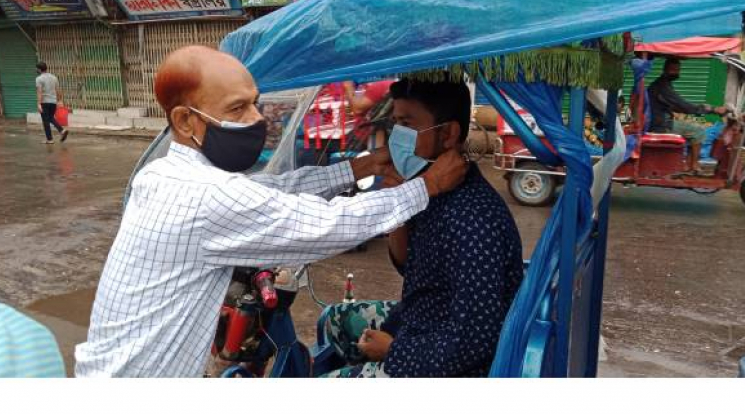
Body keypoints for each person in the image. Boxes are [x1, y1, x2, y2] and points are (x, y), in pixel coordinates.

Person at [74, 46, 468, 377]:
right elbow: (329, 225)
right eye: (238, 108)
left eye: (255, 104)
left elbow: (270, 190)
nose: (257, 119)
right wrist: (427, 186)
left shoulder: (162, 174)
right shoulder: (205, 196)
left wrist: (361, 166)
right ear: (185, 120)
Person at [320, 77, 524, 378]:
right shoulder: (430, 188)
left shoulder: (472, 219)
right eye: (395, 123)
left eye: (408, 124)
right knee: (333, 320)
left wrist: (394, 351)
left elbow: (474, 340)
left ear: (448, 133)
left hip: (450, 361)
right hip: (420, 319)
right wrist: (399, 206)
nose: (396, 136)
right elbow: (409, 266)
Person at [648, 57, 728, 173]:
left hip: (661, 121)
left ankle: (687, 164)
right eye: (673, 70)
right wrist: (713, 109)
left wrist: (697, 109)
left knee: (692, 129)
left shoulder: (664, 84)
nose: (676, 73)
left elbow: (677, 106)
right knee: (698, 131)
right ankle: (694, 165)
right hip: (661, 125)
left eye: (678, 70)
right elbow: (683, 105)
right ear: (665, 69)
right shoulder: (662, 86)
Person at [36, 61, 69, 144]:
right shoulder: (54, 77)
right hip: (53, 102)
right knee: (50, 118)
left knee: (45, 120)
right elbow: (58, 90)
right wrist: (60, 100)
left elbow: (39, 92)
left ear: (39, 69)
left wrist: (39, 104)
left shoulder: (39, 79)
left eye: (37, 69)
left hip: (45, 102)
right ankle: (61, 131)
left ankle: (50, 139)